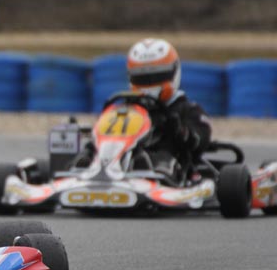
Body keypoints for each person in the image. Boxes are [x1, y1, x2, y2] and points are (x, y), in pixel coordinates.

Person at [78, 38, 212, 182]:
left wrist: (179, 130)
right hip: (125, 156)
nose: (149, 83)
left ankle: (153, 176)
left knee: (160, 158)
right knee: (89, 150)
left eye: (156, 76)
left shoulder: (187, 109)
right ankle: (83, 167)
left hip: (166, 161)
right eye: (142, 77)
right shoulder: (127, 108)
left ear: (173, 72)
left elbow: (200, 140)